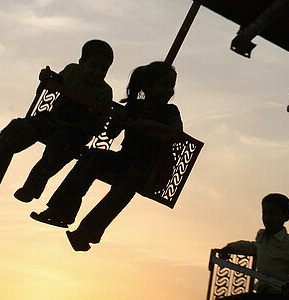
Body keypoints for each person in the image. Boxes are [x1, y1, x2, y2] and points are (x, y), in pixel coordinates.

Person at [30, 61, 181, 251]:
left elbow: (176, 132)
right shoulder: (133, 107)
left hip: (148, 168)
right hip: (126, 158)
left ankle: (87, 232)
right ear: (147, 86)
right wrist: (117, 119)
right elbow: (111, 134)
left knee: (126, 184)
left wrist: (152, 125)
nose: (169, 90)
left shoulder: (169, 111)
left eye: (171, 86)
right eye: (164, 85)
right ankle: (60, 210)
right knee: (92, 157)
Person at [0, 40, 114, 202]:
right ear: (82, 63)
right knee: (13, 132)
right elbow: (56, 84)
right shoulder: (71, 71)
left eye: (103, 69)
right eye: (94, 66)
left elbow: (98, 128)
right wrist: (47, 78)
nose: (98, 72)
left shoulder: (104, 92)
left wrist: (95, 114)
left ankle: (31, 188)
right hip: (52, 122)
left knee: (59, 147)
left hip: (75, 133)